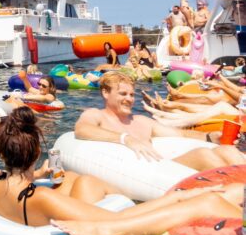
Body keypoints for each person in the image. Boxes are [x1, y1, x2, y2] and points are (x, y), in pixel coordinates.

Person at [0, 107, 243, 235]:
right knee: (86, 182)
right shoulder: (42, 199)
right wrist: (173, 198)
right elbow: (117, 221)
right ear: (35, 153)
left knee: (80, 180)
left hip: (20, 219)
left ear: (0, 154)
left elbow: (15, 179)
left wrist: (38, 176)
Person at [74, 72, 244, 170]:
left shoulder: (141, 121)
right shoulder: (96, 114)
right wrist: (126, 138)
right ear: (105, 93)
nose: (129, 99)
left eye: (132, 95)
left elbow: (180, 134)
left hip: (162, 169)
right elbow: (82, 129)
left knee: (228, 151)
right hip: (142, 173)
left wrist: (210, 137)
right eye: (123, 94)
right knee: (203, 155)